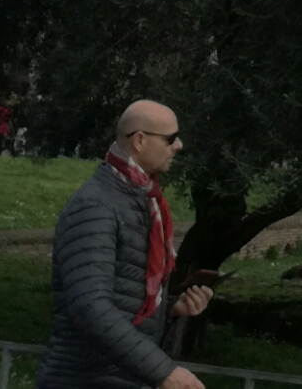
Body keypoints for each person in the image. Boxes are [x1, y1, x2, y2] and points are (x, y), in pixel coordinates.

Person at [37, 101, 213, 389]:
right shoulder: (95, 205)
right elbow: (90, 308)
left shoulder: (140, 202)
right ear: (140, 141)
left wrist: (169, 309)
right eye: (170, 138)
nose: (179, 146)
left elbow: (122, 298)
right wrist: (163, 372)